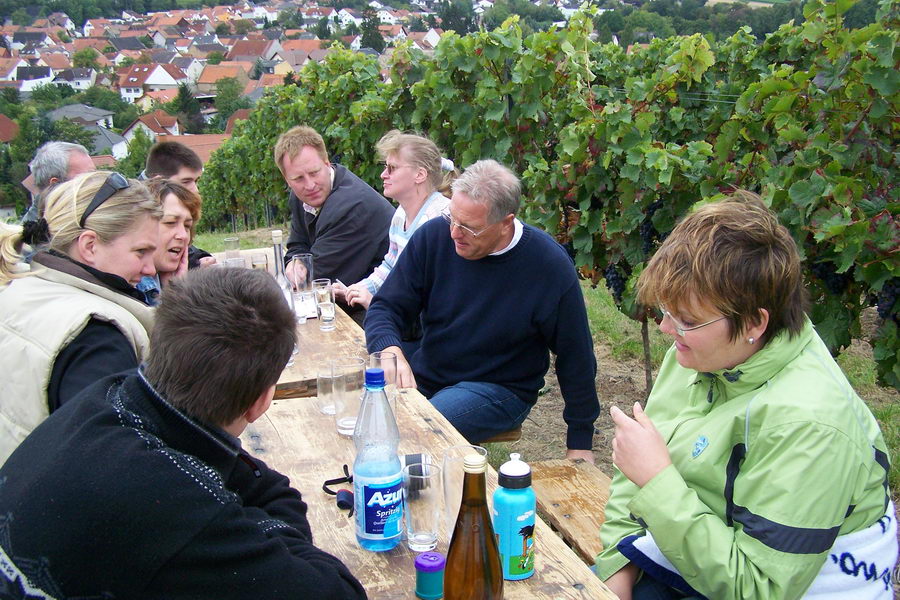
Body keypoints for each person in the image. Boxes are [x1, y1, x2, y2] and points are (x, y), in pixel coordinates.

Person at [597, 193, 897, 600]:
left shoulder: (810, 425)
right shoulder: (697, 355)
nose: (667, 329)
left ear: (754, 322)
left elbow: (759, 587)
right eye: (665, 310)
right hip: (693, 557)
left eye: (686, 320)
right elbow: (633, 471)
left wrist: (657, 480)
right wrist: (617, 563)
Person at [0, 268, 367, 599]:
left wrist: (254, 532)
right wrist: (264, 539)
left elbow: (271, 490)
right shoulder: (178, 505)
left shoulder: (105, 399)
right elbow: (339, 591)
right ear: (261, 402)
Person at [364, 159, 599, 462]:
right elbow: (386, 306)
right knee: (366, 424)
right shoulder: (434, 237)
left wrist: (580, 441)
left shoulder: (547, 266)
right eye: (452, 218)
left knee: (418, 433)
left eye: (469, 228)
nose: (454, 233)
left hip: (499, 388)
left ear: (506, 222)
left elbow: (575, 354)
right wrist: (388, 349)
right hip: (429, 376)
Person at [0, 171, 160, 464]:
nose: (151, 268)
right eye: (141, 252)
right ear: (89, 245)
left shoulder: (20, 290)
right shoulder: (96, 335)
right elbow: (116, 467)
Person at [334, 130, 453, 351]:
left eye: (392, 168)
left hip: (428, 337)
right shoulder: (400, 215)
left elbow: (433, 296)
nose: (382, 175)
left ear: (420, 174)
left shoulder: (438, 220)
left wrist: (378, 304)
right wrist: (356, 289)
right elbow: (390, 265)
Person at [275, 126, 394, 306]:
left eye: (314, 173)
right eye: (298, 178)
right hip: (346, 302)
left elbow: (318, 279)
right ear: (287, 180)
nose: (309, 185)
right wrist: (295, 262)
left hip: (380, 310)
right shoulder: (300, 197)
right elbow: (298, 245)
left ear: (327, 163)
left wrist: (299, 268)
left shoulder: (352, 206)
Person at [144, 140, 215, 269]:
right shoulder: (139, 209)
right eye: (186, 181)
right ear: (158, 181)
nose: (195, 190)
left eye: (186, 226)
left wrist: (198, 259)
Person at [136, 180, 201, 305]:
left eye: (187, 225)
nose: (182, 235)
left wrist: (176, 291)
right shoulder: (133, 291)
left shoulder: (164, 283)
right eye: (170, 223)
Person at [22, 141, 95, 223]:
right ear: (55, 186)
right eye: (85, 179)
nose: (96, 183)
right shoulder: (34, 233)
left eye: (94, 175)